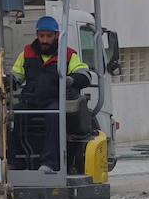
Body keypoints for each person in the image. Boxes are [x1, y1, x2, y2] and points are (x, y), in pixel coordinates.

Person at [11, 15, 91, 172]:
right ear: (37, 35)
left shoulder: (68, 55)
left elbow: (85, 75)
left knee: (54, 114)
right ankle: (15, 161)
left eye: (49, 36)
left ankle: (50, 163)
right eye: (42, 36)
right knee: (14, 113)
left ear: (57, 35)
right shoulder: (26, 53)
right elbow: (17, 75)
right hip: (31, 101)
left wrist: (72, 79)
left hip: (55, 100)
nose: (45, 40)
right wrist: (8, 80)